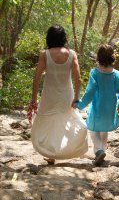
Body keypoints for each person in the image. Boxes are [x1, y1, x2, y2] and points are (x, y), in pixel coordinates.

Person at [27, 25, 88, 164]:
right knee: (65, 121)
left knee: (48, 122)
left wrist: (33, 98)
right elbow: (78, 78)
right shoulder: (71, 54)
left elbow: (36, 77)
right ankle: (60, 152)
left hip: (49, 95)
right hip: (66, 95)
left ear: (49, 38)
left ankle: (51, 154)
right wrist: (76, 97)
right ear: (63, 38)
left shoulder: (45, 54)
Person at [76, 44, 119, 165]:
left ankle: (99, 150)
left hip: (98, 108)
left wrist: (80, 104)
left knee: (93, 130)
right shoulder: (117, 74)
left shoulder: (95, 73)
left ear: (98, 58)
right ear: (112, 58)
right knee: (104, 130)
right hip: (110, 108)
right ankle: (102, 151)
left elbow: (90, 91)